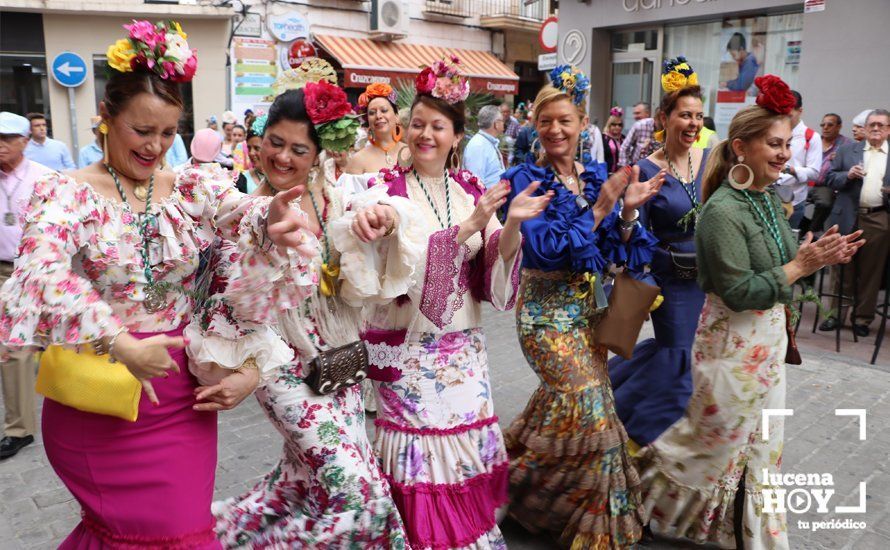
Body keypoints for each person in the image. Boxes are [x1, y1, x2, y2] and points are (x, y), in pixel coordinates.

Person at [0, 21, 313, 546]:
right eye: (142, 131)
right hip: (99, 394)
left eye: (168, 133)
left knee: (183, 527)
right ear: (106, 117)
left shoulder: (190, 182)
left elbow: (234, 207)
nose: (156, 147)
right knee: (133, 531)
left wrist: (268, 217)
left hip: (178, 396)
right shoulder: (66, 192)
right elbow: (42, 272)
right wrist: (120, 342)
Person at [634, 75, 862, 550]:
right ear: (741, 147)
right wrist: (802, 265)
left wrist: (818, 253)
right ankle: (630, 497)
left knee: (762, 450)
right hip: (731, 350)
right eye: (773, 145)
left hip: (767, 345)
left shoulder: (768, 199)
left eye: (786, 144)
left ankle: (755, 537)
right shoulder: (722, 210)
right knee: (702, 445)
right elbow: (739, 291)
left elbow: (782, 264)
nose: (783, 154)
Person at [202, 83, 417, 548]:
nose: (282, 157)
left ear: (317, 153)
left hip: (338, 365)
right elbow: (232, 309)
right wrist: (247, 370)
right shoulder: (240, 211)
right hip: (279, 371)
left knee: (301, 482)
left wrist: (383, 217)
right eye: (274, 143)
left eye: (298, 149)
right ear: (257, 141)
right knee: (360, 496)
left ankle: (209, 537)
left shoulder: (332, 199)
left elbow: (389, 206)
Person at [363, 56, 550, 550]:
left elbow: (490, 268)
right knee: (419, 458)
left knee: (460, 454)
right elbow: (405, 273)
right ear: (404, 130)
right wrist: (467, 228)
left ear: (456, 136)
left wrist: (509, 225)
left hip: (463, 348)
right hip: (409, 346)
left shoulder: (468, 188)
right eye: (418, 124)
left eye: (437, 126)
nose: (425, 134)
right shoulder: (385, 191)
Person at [503, 65, 663, 548]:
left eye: (564, 121)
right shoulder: (523, 180)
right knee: (590, 407)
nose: (555, 130)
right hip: (543, 315)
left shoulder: (594, 175)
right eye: (546, 121)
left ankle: (512, 487)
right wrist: (600, 208)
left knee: (574, 410)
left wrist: (627, 209)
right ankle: (596, 528)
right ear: (534, 124)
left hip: (589, 313)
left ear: (580, 124)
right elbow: (546, 248)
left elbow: (621, 250)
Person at [609, 57, 707, 451]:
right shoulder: (644, 170)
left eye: (699, 116)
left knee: (690, 359)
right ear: (664, 118)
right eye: (685, 115)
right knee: (677, 359)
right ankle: (636, 437)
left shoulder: (711, 160)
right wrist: (629, 210)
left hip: (709, 282)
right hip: (671, 285)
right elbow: (630, 237)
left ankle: (618, 407)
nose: (694, 124)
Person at [0, 112, 52, 460]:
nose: (1, 145)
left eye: (7, 138)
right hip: (4, 271)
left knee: (52, 341)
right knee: (12, 346)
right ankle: (19, 429)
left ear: (24, 140)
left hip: (41, 269)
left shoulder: (44, 178)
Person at [819, 109, 890, 337]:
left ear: (889, 130)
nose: (876, 128)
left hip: (879, 218)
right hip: (847, 215)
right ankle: (835, 316)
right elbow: (829, 178)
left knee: (871, 271)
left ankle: (862, 318)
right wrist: (847, 175)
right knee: (841, 267)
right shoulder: (848, 150)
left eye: (881, 125)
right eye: (872, 125)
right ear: (866, 128)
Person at [773, 90, 821, 229]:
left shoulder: (811, 136)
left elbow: (814, 173)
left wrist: (789, 169)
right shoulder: (774, 131)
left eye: (789, 115)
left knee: (789, 244)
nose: (784, 119)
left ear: (800, 111)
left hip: (794, 200)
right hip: (770, 195)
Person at [345, 83, 406, 179]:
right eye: (372, 113)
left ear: (396, 116)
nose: (378, 116)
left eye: (384, 110)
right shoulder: (358, 160)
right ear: (367, 120)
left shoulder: (411, 153)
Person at [809, 113, 852, 233]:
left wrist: (839, 158)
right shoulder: (815, 140)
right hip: (804, 182)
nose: (825, 128)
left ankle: (810, 232)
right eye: (823, 124)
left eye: (830, 125)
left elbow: (849, 167)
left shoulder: (846, 145)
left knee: (825, 203)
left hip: (824, 185)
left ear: (839, 127)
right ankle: (802, 228)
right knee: (788, 201)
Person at [463, 104, 505, 188]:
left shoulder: (486, 142)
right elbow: (475, 183)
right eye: (502, 121)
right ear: (496, 124)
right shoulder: (478, 146)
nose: (504, 123)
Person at [619, 102, 655, 166]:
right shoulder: (638, 125)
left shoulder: (640, 125)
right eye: (634, 114)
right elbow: (625, 147)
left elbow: (624, 147)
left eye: (638, 113)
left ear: (647, 113)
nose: (635, 116)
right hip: (639, 167)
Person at [240, 118, 264, 194]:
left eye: (257, 148)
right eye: (249, 148)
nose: (251, 153)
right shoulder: (242, 178)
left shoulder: (284, 179)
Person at [602, 107, 626, 174]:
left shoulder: (624, 138)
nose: (617, 127)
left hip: (621, 175)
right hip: (606, 174)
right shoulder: (603, 138)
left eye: (619, 125)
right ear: (609, 125)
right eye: (614, 124)